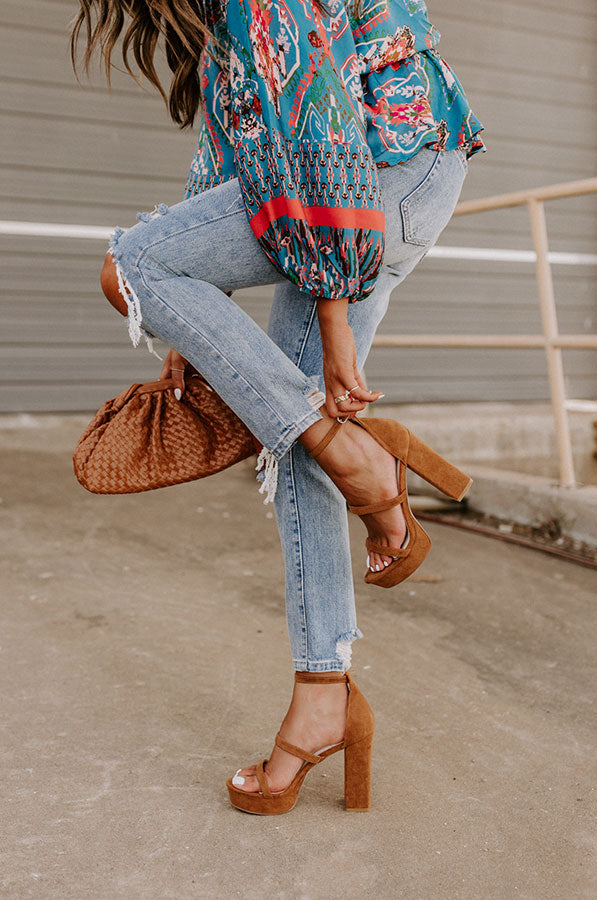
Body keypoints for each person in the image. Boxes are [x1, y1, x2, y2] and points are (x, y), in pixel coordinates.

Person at [71, 0, 484, 814]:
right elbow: (234, 153)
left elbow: (317, 127)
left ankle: (360, 456)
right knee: (293, 436)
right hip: (374, 178)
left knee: (133, 261)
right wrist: (194, 323)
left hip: (369, 173)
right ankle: (323, 697)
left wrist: (332, 317)